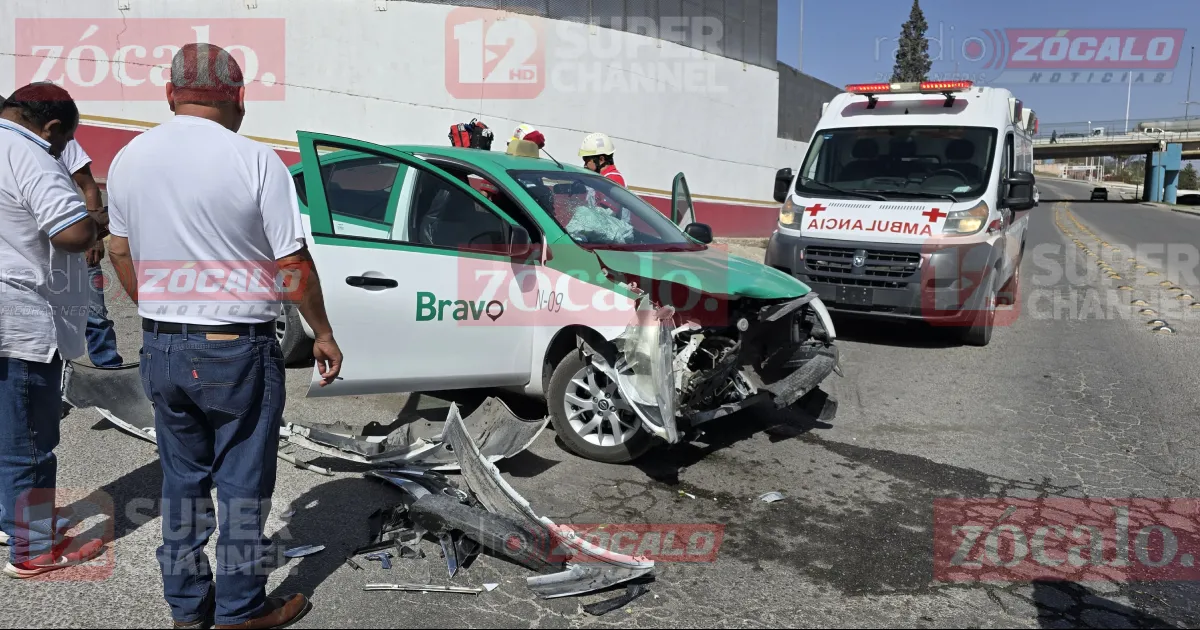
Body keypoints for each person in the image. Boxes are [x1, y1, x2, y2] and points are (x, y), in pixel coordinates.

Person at [106, 43, 342, 629]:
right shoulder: (255, 161)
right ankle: (240, 611)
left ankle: (188, 608)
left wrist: (155, 308)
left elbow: (117, 249)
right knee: (241, 485)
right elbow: (293, 265)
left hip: (162, 346)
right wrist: (323, 332)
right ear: (238, 98)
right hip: (236, 349)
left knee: (182, 480)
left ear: (169, 94)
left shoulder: (130, 158)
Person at [0, 82, 108, 578]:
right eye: (64, 142)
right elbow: (72, 233)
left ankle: (19, 521)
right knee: (30, 441)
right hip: (19, 320)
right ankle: (33, 548)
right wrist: (96, 222)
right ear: (52, 128)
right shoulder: (32, 156)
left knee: (8, 434)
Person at [59, 138, 123, 367]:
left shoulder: (55, 135)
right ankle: (56, 381)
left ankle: (109, 372)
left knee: (94, 316)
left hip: (73, 238)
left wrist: (93, 236)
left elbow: (88, 186)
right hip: (26, 249)